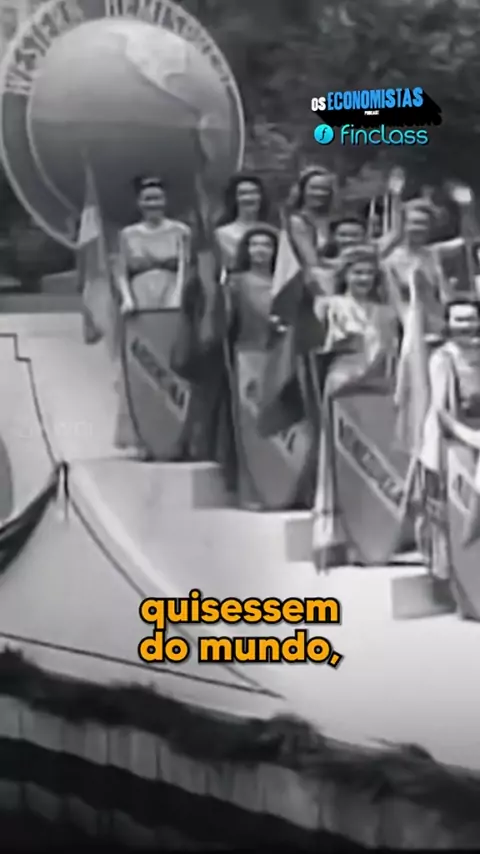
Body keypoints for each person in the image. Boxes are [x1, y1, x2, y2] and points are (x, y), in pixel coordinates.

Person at [311, 244, 400, 569]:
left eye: (369, 273)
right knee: (341, 457)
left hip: (378, 388)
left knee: (374, 458)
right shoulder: (330, 305)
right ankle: (339, 536)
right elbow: (313, 343)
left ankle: (374, 531)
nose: (363, 278)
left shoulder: (386, 312)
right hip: (343, 384)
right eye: (357, 272)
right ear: (345, 274)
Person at [114, 175, 192, 456]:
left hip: (172, 294)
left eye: (157, 198)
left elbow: (185, 267)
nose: (153, 203)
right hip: (141, 297)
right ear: (139, 202)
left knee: (173, 364)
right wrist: (127, 298)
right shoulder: (128, 234)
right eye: (147, 198)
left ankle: (179, 436)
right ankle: (142, 437)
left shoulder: (181, 231)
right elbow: (121, 270)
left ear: (165, 201)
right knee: (142, 364)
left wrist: (178, 296)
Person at [418, 298, 480, 611]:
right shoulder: (443, 358)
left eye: (471, 319)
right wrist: (471, 437)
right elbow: (441, 410)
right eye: (459, 320)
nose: (466, 326)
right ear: (448, 323)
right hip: (456, 437)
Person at [226, 225, 279, 508]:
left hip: (282, 357)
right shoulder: (236, 282)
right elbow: (225, 322)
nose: (260, 250)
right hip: (249, 354)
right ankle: (252, 491)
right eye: (254, 244)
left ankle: (282, 487)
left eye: (267, 245)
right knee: (250, 422)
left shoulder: (287, 281)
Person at [214, 173, 270, 272]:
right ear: (234, 198)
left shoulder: (272, 232)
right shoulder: (221, 235)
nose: (249, 198)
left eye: (254, 193)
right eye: (243, 193)